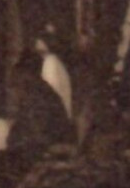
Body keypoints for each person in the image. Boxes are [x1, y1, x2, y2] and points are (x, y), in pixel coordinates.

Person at [5, 47, 78, 175]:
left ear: (27, 75)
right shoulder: (35, 95)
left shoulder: (40, 97)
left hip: (44, 159)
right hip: (33, 155)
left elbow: (38, 138)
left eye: (15, 84)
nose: (13, 91)